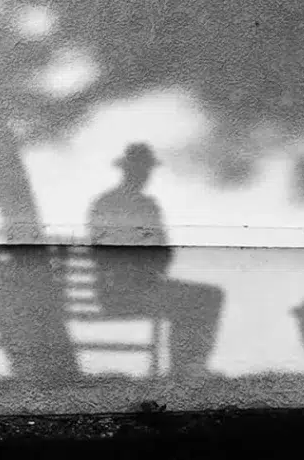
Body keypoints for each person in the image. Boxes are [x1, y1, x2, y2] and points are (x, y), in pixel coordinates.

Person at [87, 143, 225, 378]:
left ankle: (186, 367)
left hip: (111, 292)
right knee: (206, 297)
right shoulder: (145, 206)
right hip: (131, 293)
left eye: (147, 169)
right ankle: (187, 367)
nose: (146, 175)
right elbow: (162, 254)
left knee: (199, 297)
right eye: (143, 169)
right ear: (132, 171)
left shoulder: (104, 202)